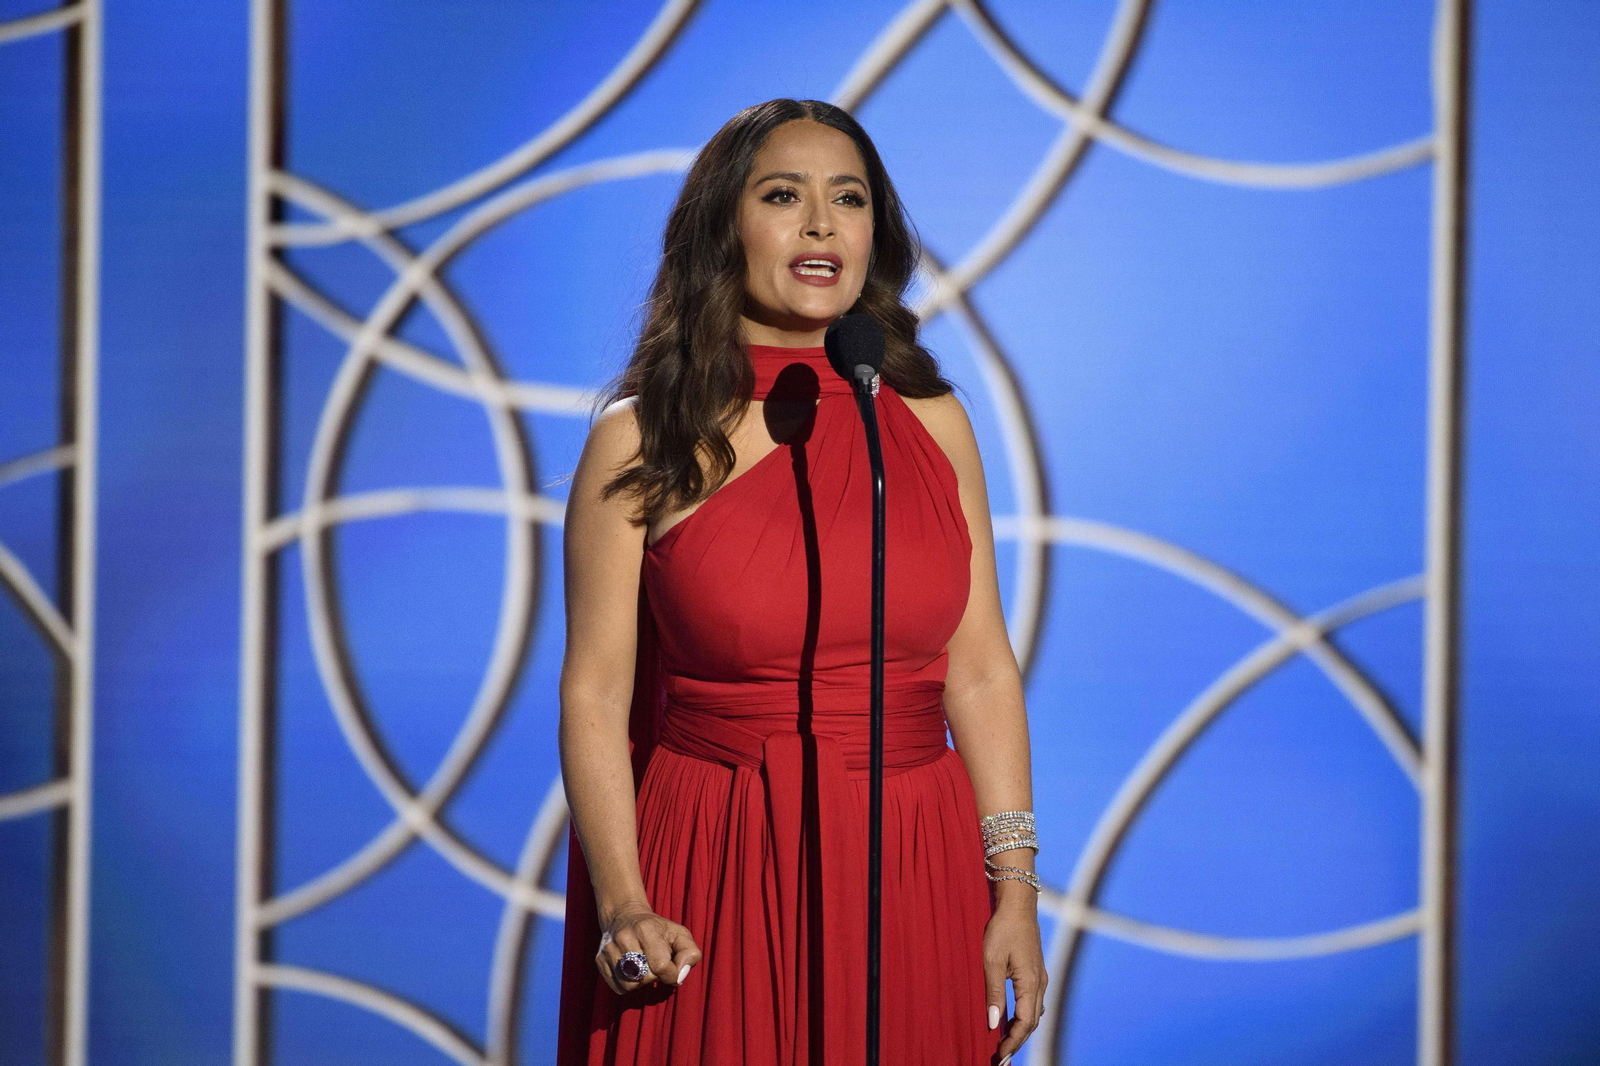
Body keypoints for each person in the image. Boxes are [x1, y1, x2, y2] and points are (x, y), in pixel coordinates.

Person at [556, 97, 1046, 1065]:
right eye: (783, 196)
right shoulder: (643, 433)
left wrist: (1016, 890)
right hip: (715, 854)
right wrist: (624, 901)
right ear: (723, 229)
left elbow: (982, 669)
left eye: (849, 199)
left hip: (913, 853)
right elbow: (597, 691)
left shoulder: (930, 421)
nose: (822, 224)